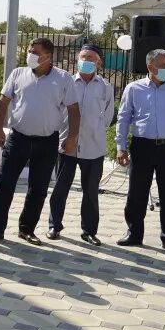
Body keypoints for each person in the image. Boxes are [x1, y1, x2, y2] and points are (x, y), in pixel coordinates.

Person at [0, 38, 80, 245]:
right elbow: (3, 101)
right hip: (18, 138)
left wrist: (71, 138)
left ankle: (26, 229)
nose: (30, 55)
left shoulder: (63, 79)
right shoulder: (18, 73)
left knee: (38, 188)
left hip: (47, 141)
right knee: (5, 185)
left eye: (35, 52)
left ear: (48, 57)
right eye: (29, 51)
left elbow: (74, 110)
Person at [115, 49, 165, 255]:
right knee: (137, 192)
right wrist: (120, 147)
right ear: (151, 66)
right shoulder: (134, 89)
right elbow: (123, 119)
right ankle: (134, 233)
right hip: (142, 146)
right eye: (164, 66)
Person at [47, 44, 113, 246]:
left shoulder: (105, 87)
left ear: (99, 62)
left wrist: (93, 129)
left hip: (93, 147)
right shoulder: (66, 82)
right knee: (60, 188)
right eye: (84, 57)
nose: (87, 61)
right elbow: (56, 110)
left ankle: (89, 230)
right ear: (77, 59)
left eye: (91, 58)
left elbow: (108, 117)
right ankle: (54, 225)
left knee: (91, 191)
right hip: (66, 144)